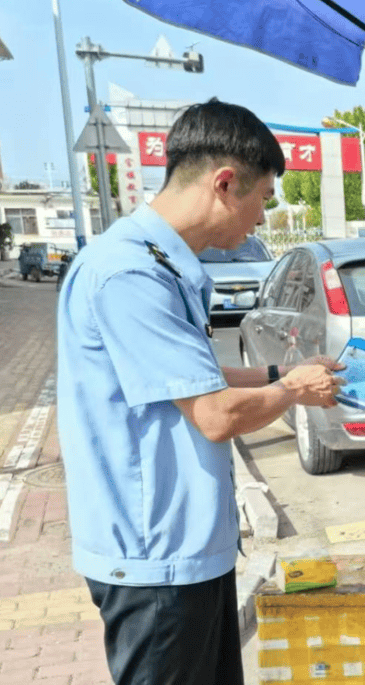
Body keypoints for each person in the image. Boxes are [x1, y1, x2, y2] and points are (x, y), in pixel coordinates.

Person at [56, 98, 345, 685]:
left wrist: (276, 376)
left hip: (186, 552)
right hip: (154, 562)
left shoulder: (158, 261)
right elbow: (214, 414)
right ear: (224, 183)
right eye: (264, 199)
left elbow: (189, 383)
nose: (263, 220)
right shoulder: (128, 274)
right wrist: (291, 388)